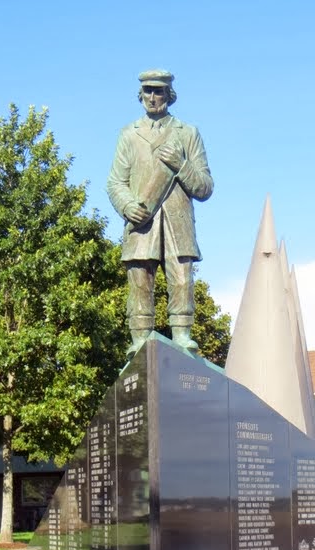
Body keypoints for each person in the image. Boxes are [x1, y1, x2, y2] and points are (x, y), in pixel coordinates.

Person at [107, 69, 213, 358]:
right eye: (148, 91)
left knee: (181, 280)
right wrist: (128, 206)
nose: (153, 97)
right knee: (140, 282)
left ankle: (182, 336)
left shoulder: (188, 134)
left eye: (159, 91)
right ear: (140, 95)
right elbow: (116, 182)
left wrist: (181, 165)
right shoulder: (129, 135)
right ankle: (140, 340)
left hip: (178, 224)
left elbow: (204, 187)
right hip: (143, 224)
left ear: (169, 95)